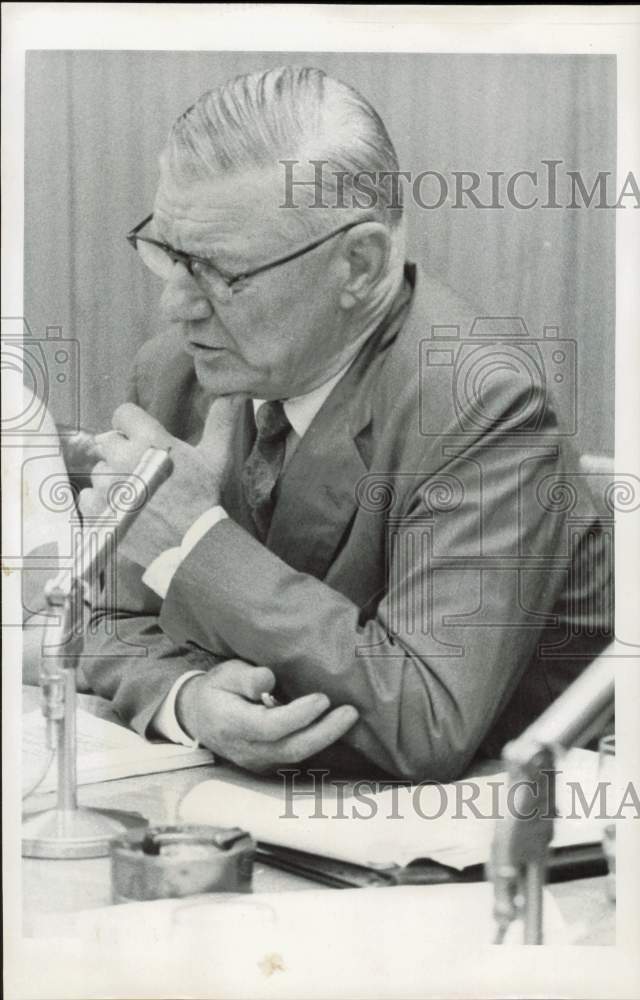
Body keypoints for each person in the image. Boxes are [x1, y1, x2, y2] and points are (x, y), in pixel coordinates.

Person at [77, 66, 612, 781]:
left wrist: (197, 544)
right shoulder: (180, 370)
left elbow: (425, 717)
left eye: (217, 271)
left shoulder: (485, 406)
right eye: (169, 255)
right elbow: (101, 619)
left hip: (480, 850)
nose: (178, 304)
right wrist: (187, 698)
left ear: (359, 264)